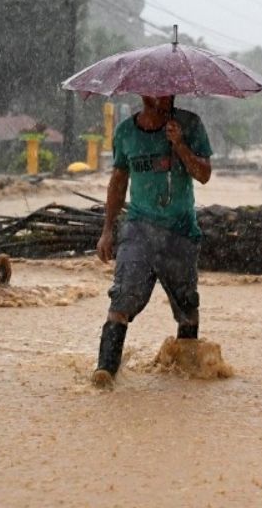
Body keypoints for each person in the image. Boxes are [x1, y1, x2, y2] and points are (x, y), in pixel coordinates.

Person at [91, 95, 213, 389]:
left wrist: (180, 145)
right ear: (143, 94)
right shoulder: (125, 132)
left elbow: (204, 175)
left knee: (186, 308)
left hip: (180, 232)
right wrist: (107, 230)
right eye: (156, 89)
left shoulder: (190, 124)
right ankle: (105, 371)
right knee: (122, 297)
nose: (163, 94)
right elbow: (118, 181)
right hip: (138, 230)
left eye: (168, 90)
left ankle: (185, 379)